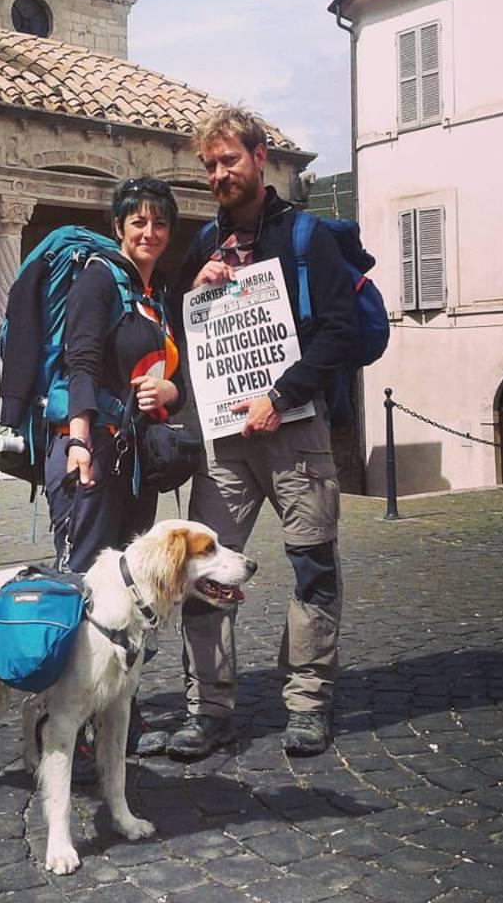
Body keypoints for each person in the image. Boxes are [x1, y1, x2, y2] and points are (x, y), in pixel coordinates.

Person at [166, 105, 358, 760]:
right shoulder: (200, 244)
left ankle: (307, 705)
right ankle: (207, 710)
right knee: (202, 573)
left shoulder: (307, 238)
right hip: (225, 444)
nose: (220, 174)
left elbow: (342, 332)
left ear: (259, 157)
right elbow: (177, 332)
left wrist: (282, 394)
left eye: (230, 160)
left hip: (295, 432)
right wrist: (195, 287)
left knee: (312, 571)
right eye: (209, 165)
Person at [44, 176, 185, 775]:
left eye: (158, 224)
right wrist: (77, 442)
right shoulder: (99, 279)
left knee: (130, 589)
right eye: (137, 222)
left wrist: (171, 391)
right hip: (93, 456)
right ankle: (65, 719)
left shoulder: (150, 295)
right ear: (119, 227)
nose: (148, 232)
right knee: (83, 586)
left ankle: (117, 708)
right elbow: (79, 363)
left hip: (132, 464)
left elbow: (165, 379)